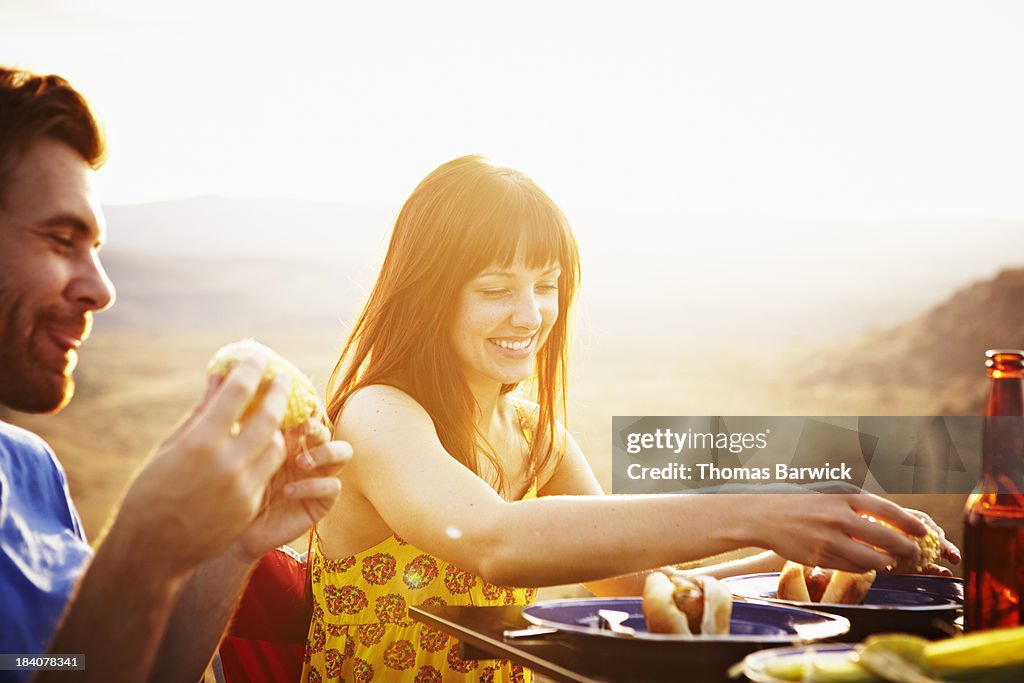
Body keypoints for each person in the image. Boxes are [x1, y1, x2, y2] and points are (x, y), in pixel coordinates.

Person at [304, 155, 960, 682]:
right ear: (427, 297)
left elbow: (645, 591)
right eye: (496, 289)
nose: (530, 314)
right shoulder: (378, 414)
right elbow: (495, 540)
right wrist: (760, 507)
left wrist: (810, 552)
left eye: (547, 283)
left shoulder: (538, 441)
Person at [0, 66, 351, 683]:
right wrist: (144, 549)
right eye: (61, 238)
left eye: (97, 249)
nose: (103, 289)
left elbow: (91, 666)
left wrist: (234, 544)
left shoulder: (31, 469)